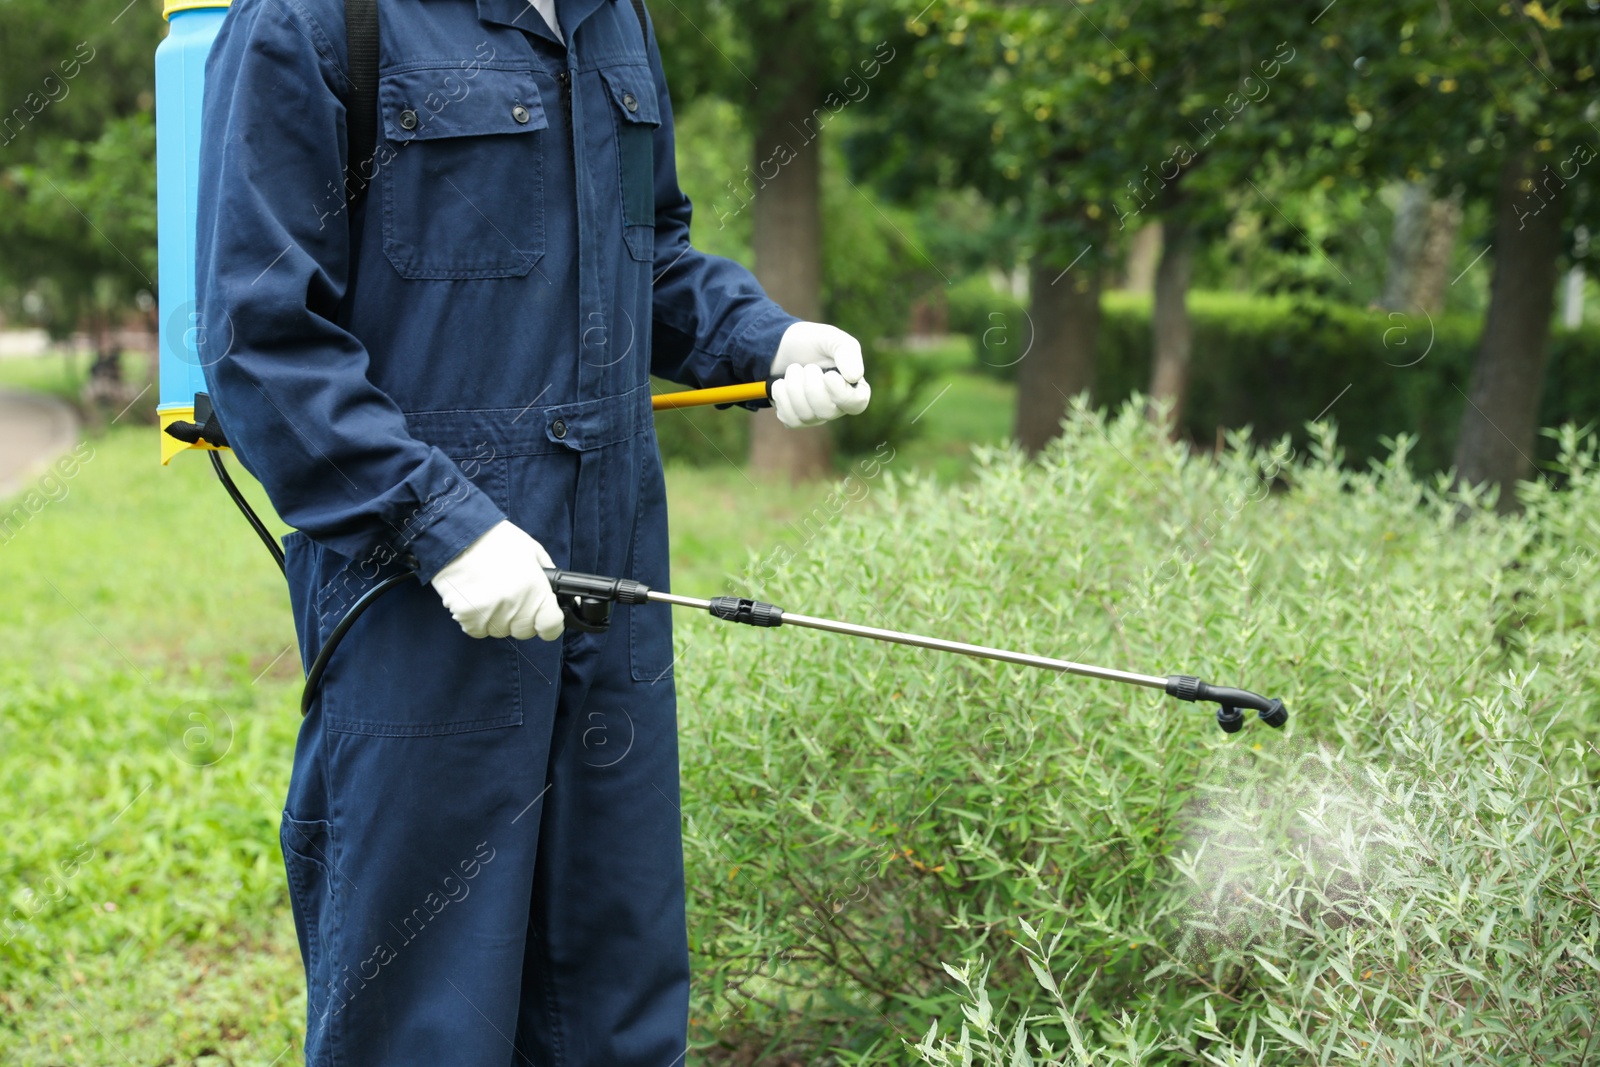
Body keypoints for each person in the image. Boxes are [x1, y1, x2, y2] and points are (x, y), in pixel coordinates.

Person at [193, 0, 871, 1063]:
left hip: (612, 598)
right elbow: (261, 339)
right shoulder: (314, 20)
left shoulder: (614, 17)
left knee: (616, 1001)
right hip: (417, 611)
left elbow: (641, 255)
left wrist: (764, 338)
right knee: (423, 1014)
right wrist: (442, 524)